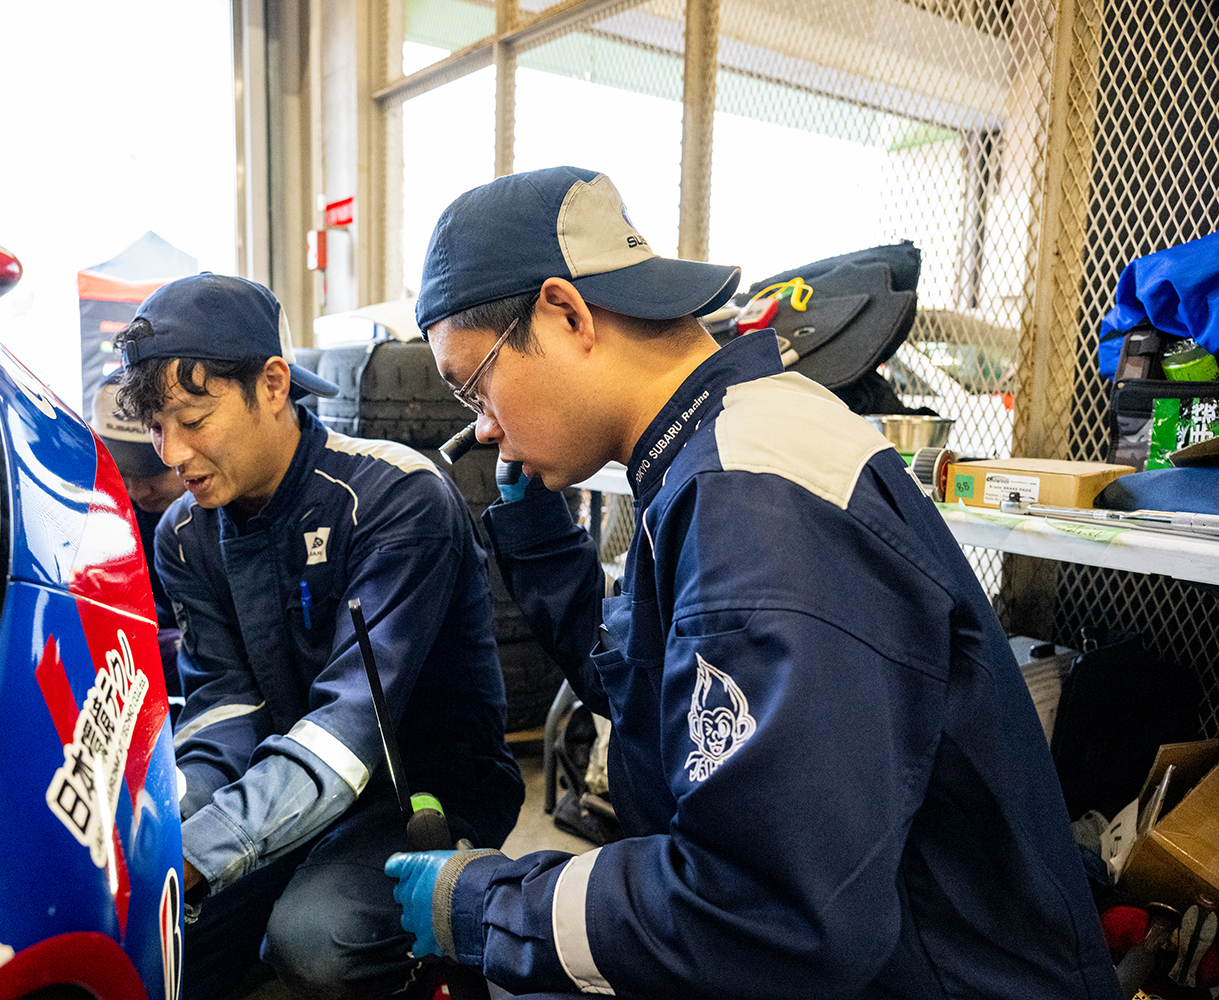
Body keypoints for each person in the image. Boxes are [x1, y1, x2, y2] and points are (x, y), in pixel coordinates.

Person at [385, 166, 1121, 1000]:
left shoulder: (752, 499)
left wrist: (488, 906)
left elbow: (769, 913)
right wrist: (537, 537)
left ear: (567, 314)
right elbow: (653, 699)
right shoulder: (703, 450)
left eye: (474, 385)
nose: (483, 428)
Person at [110, 273, 524, 1000]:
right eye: (154, 428)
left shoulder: (398, 498)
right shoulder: (182, 535)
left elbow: (349, 727)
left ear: (273, 384)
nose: (170, 454)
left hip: (424, 787)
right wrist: (163, 827)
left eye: (193, 420)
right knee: (161, 938)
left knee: (313, 942)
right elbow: (224, 709)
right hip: (284, 781)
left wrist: (202, 852)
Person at [92, 370, 187, 714]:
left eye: (151, 473)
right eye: (123, 472)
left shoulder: (224, 515)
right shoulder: (107, 515)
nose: (137, 490)